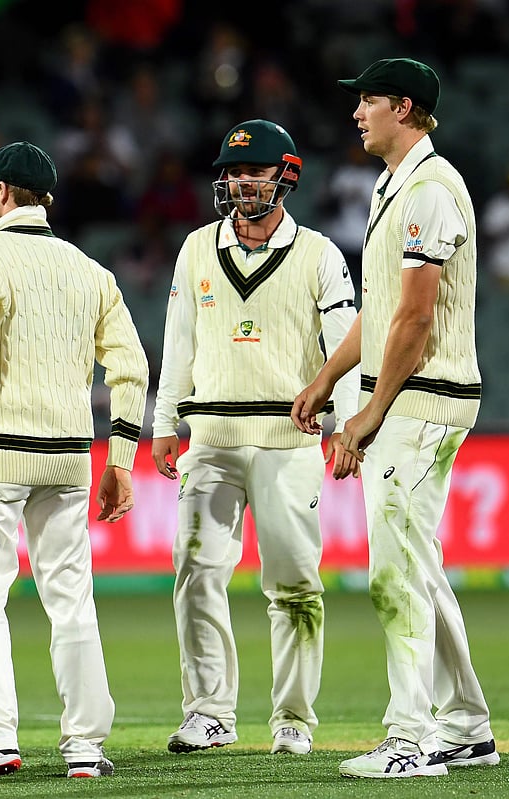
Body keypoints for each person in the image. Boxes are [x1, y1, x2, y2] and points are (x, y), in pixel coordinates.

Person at [293, 57, 499, 779]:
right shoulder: (397, 185)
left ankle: (411, 740)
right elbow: (383, 309)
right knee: (418, 561)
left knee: (394, 572)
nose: (356, 113)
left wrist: (369, 415)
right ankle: (468, 725)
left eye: (368, 101)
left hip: (421, 398)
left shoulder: (433, 191)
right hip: (408, 394)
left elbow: (414, 318)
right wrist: (326, 378)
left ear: (403, 108)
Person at [0, 142, 148, 781]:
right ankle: (85, 745)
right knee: (71, 600)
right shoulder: (89, 269)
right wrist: (122, 458)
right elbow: (131, 366)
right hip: (69, 460)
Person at [152, 119, 359, 757]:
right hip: (210, 442)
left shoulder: (321, 254)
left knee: (294, 584)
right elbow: (178, 342)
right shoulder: (194, 249)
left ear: (285, 176)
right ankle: (209, 714)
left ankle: (293, 720)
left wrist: (348, 424)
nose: (241, 182)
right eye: (233, 172)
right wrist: (164, 424)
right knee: (196, 573)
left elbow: (346, 346)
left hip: (287, 443)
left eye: (255, 172)